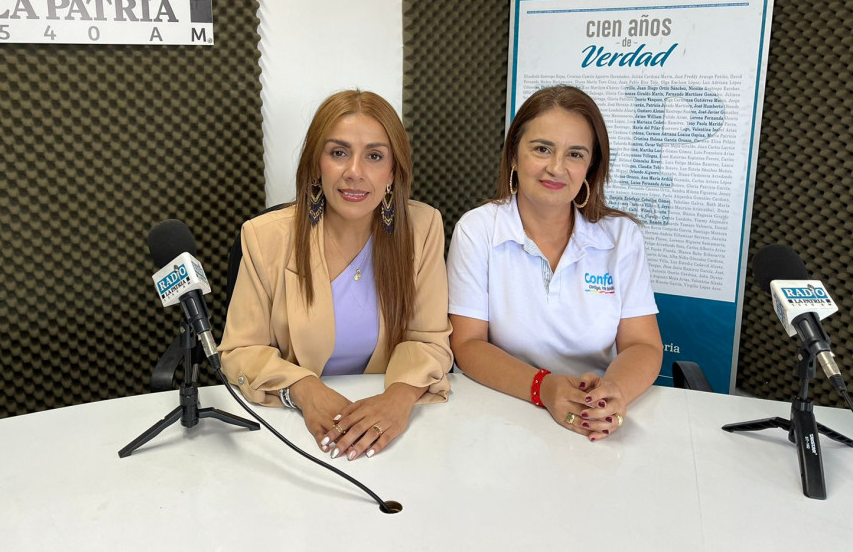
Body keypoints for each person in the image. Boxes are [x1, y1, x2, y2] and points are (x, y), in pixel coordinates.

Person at [219, 89, 452, 461]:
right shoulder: (264, 237)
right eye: (339, 153)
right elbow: (239, 351)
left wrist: (398, 398)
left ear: (393, 172)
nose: (354, 172)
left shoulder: (423, 228)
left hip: (391, 428)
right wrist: (304, 389)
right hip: (293, 428)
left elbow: (429, 340)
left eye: (374, 156)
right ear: (316, 165)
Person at [447, 85, 662, 441]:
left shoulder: (622, 237)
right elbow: (467, 344)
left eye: (575, 154)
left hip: (593, 419)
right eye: (542, 149)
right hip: (502, 413)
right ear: (514, 155)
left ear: (590, 166)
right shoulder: (478, 230)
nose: (556, 168)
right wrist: (542, 387)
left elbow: (643, 345)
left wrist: (613, 394)